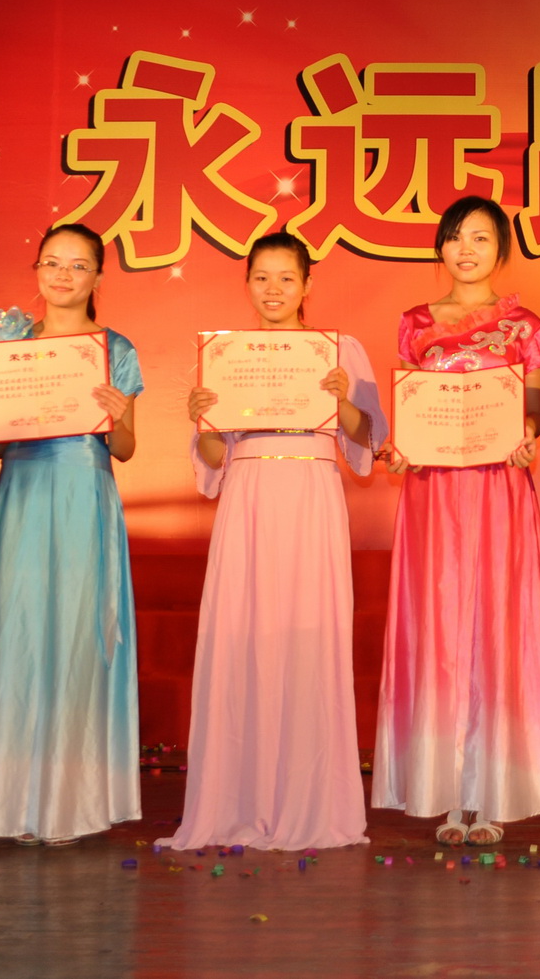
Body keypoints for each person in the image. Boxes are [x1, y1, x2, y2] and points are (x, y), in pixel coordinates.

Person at [158, 232, 384, 852]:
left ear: (308, 284)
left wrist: (342, 400)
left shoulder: (339, 349)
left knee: (311, 641)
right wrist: (203, 418)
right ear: (247, 283)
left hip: (313, 493)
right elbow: (213, 458)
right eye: (262, 277)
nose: (274, 289)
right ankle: (239, 801)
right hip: (249, 498)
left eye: (287, 277)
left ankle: (312, 804)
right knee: (245, 637)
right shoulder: (227, 356)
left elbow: (368, 440)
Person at [373, 196, 540, 847]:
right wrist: (399, 448)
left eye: (481, 237)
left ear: (501, 248)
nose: (467, 249)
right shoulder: (415, 323)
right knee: (440, 628)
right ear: (440, 248)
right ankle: (447, 791)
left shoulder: (525, 326)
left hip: (498, 489)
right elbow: (411, 407)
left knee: (496, 627)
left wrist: (528, 434)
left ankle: (494, 790)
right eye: (455, 237)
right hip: (434, 493)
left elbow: (534, 409)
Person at [0, 223, 143, 847]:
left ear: (98, 277)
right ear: (36, 269)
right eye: (52, 263)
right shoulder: (11, 344)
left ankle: (68, 805)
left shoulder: (114, 348)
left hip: (84, 496)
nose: (63, 275)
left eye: (78, 265)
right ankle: (15, 803)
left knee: (76, 640)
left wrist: (117, 417)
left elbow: (125, 448)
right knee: (21, 637)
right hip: (23, 496)